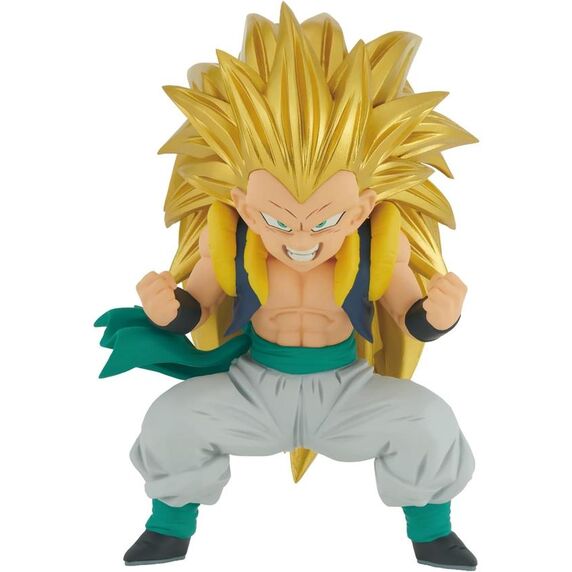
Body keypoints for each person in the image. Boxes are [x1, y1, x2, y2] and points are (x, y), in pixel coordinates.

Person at [96, 3, 479, 569]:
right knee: (171, 417)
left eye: (324, 221)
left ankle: (431, 531)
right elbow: (196, 306)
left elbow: (409, 316)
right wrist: (166, 309)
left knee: (429, 419)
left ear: (361, 209)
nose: (300, 239)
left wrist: (439, 316)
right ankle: (170, 527)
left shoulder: (379, 243)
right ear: (244, 205)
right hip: (253, 388)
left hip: (348, 391)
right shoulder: (229, 241)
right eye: (278, 220)